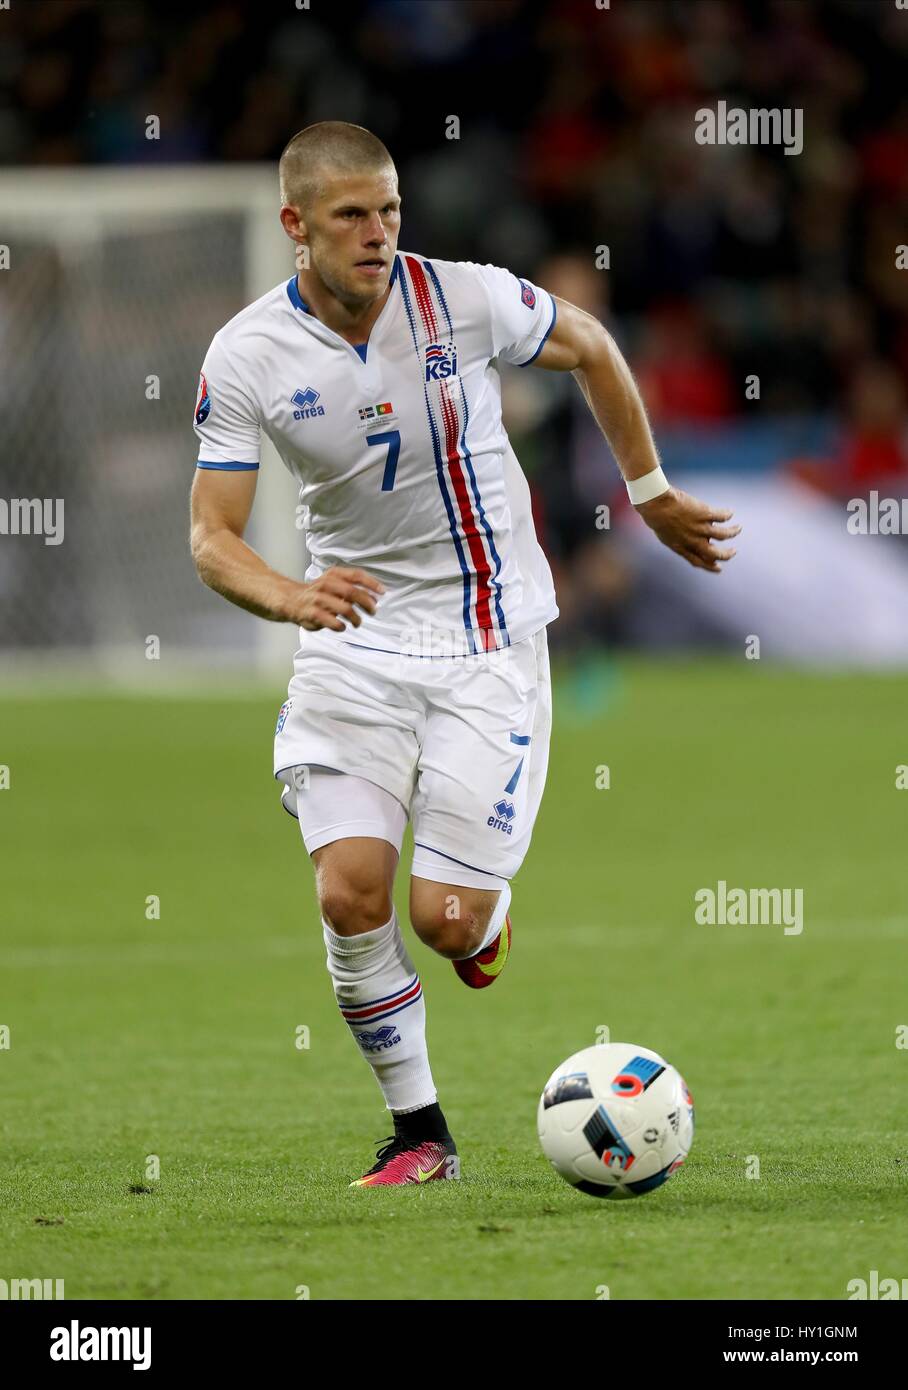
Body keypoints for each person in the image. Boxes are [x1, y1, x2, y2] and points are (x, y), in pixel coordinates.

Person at [189, 121, 738, 1186]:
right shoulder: (245, 354)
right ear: (295, 225)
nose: (378, 233)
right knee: (349, 894)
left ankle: (477, 918)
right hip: (352, 637)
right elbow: (211, 536)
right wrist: (290, 595)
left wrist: (648, 489)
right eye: (350, 215)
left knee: (443, 924)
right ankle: (420, 1134)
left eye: (388, 209)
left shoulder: (462, 298)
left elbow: (588, 342)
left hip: (488, 641)